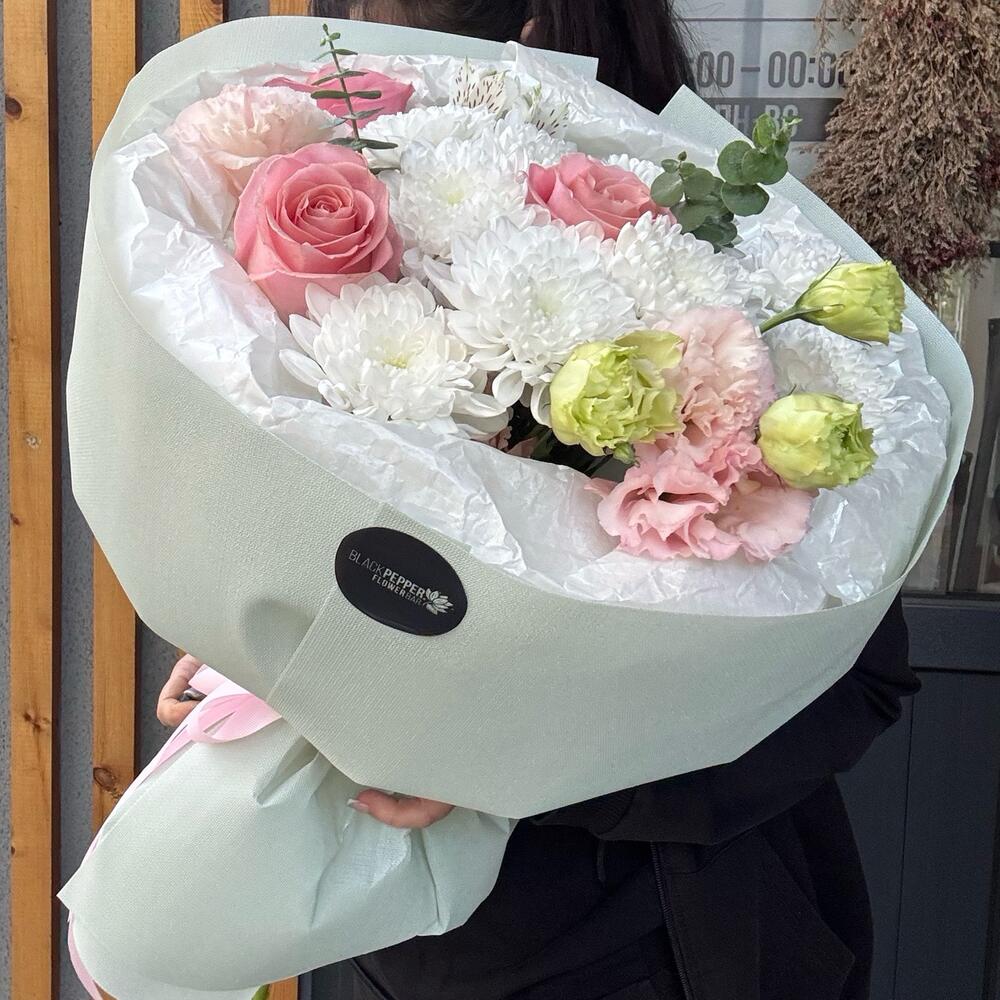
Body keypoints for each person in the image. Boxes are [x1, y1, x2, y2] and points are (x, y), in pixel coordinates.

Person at [159, 3, 919, 997]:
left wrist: (520, 764)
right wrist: (265, 655)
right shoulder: (379, 255)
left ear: (520, 39)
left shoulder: (731, 307)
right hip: (416, 938)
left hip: (664, 943)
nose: (365, 44)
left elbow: (858, 681)